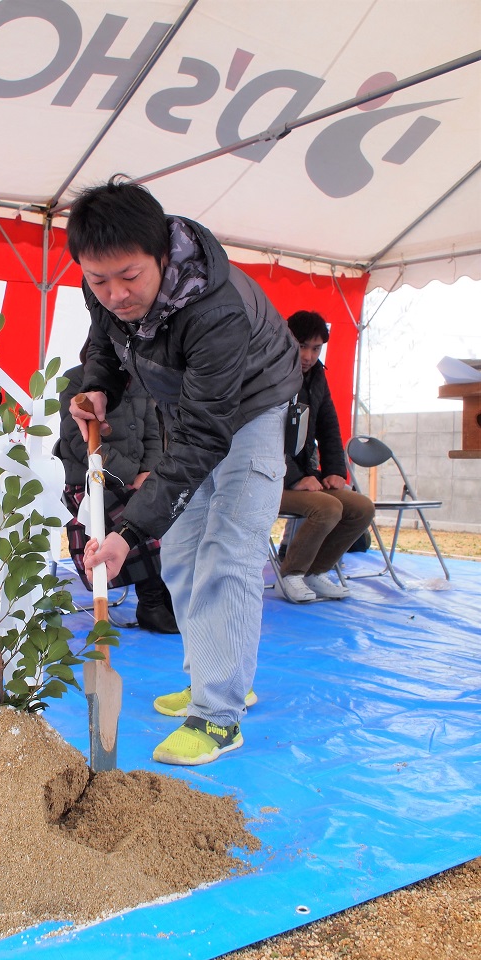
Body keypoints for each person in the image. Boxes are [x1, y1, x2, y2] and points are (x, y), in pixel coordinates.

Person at [66, 177, 301, 767]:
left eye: (129, 277)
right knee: (181, 551)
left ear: (161, 257)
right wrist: (98, 385)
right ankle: (212, 678)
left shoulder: (214, 310)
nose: (115, 294)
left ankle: (219, 713)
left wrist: (125, 533)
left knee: (229, 551)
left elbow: (204, 437)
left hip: (252, 405)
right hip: (187, 406)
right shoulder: (106, 288)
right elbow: (105, 340)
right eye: (98, 280)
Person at [56, 343, 178, 634]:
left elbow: (153, 433)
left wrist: (148, 472)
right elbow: (79, 441)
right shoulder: (75, 381)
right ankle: (151, 603)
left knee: (170, 507)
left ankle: (166, 596)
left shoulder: (141, 382)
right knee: (140, 511)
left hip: (136, 480)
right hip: (90, 482)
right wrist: (131, 476)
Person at [274, 311, 375, 603]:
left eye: (316, 349)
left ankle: (316, 572)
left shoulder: (317, 376)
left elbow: (330, 428)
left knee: (362, 508)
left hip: (305, 477)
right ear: (287, 339)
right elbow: (266, 436)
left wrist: (334, 471)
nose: (309, 356)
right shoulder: (270, 374)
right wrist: (295, 478)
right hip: (270, 478)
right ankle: (290, 575)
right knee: (328, 508)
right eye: (302, 346)